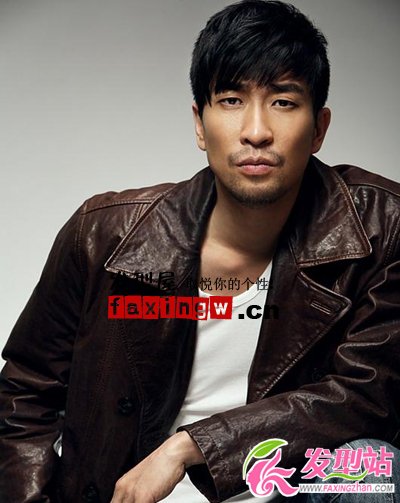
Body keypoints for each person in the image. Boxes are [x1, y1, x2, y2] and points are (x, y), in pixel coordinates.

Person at [1, 1, 400, 502]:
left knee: (373, 468)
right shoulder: (103, 234)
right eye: (231, 100)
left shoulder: (384, 228)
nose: (256, 131)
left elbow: (369, 395)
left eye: (283, 102)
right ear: (199, 123)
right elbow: (24, 397)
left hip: (290, 491)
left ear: (319, 128)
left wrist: (190, 447)